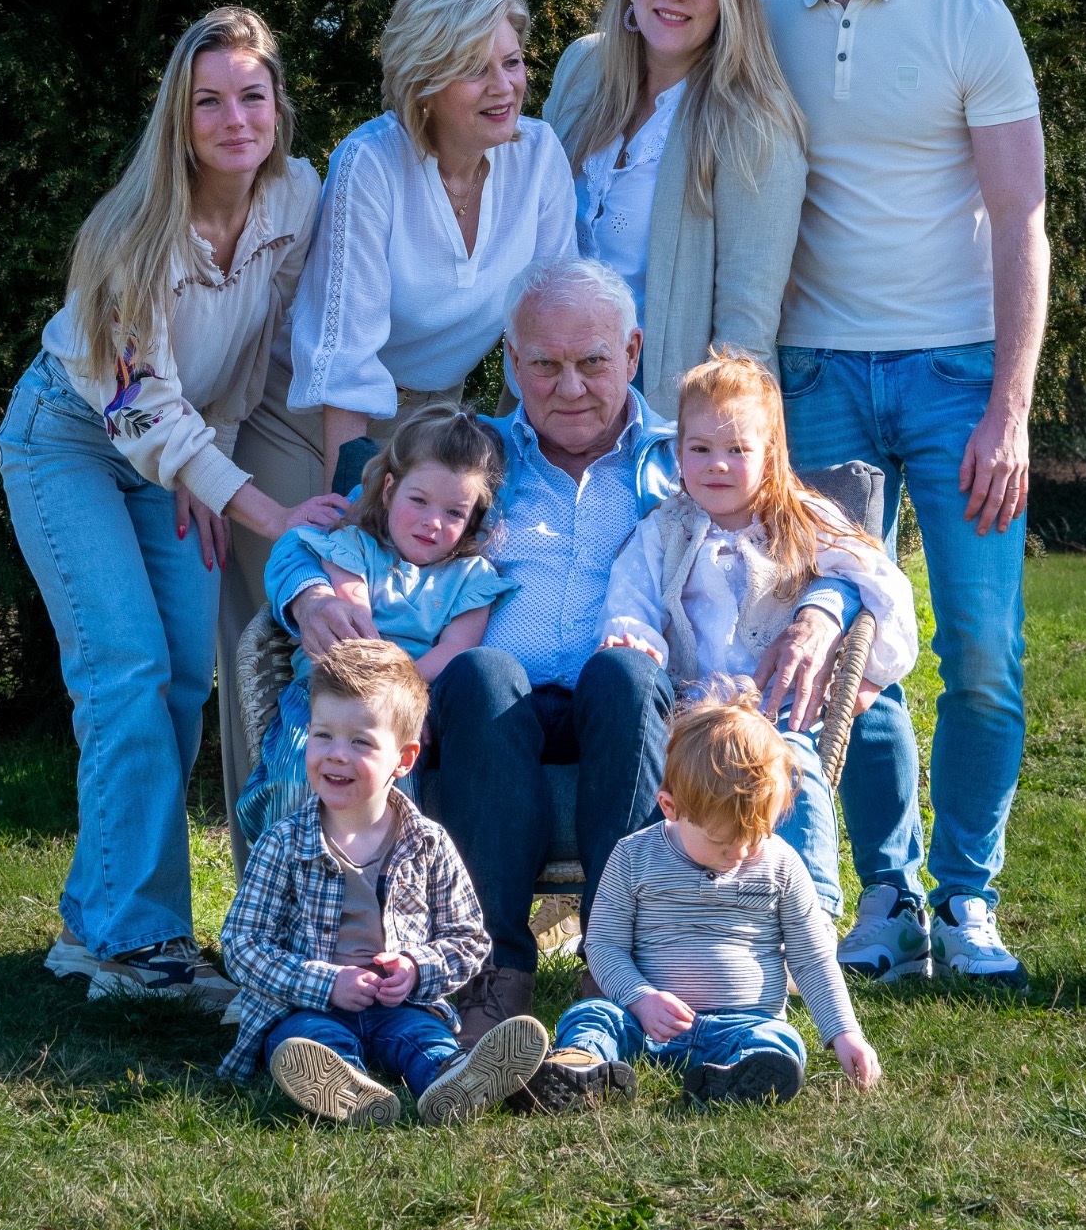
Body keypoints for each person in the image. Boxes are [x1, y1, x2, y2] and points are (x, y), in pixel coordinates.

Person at [290, 258, 858, 1045]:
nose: (570, 387)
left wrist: (824, 613)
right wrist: (308, 594)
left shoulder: (691, 455)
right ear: (511, 361)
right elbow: (329, 538)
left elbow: (823, 542)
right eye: (544, 365)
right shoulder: (467, 454)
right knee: (481, 670)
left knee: (624, 671)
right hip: (487, 706)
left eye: (591, 362)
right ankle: (491, 971)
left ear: (631, 352)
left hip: (622, 705)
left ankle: (609, 964)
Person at [766, 0, 1048, 989]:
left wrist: (1010, 408)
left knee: (981, 647)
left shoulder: (968, 14)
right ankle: (885, 891)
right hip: (813, 373)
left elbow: (1020, 215)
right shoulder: (758, 18)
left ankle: (968, 893)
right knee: (851, 649)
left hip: (955, 375)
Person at [0, 8, 331, 1000]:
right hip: (71, 440)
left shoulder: (296, 196)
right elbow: (139, 407)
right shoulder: (129, 233)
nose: (235, 119)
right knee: (125, 667)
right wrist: (259, 507)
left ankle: (93, 924)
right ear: (177, 119)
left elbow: (257, 354)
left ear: (278, 105)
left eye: (252, 96)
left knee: (186, 674)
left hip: (184, 454)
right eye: (209, 101)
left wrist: (213, 467)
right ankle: (135, 941)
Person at [216, 0, 576, 870]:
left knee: (431, 646)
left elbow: (544, 325)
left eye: (512, 61)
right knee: (310, 643)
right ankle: (274, 883)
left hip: (440, 426)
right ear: (424, 84)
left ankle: (422, 886)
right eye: (475, 69)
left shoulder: (539, 157)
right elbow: (345, 361)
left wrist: (520, 469)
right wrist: (357, 524)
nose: (504, 86)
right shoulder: (370, 162)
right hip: (310, 416)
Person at [597, 348, 919, 919]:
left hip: (779, 707)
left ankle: (810, 910)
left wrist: (870, 671)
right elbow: (632, 596)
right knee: (691, 780)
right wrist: (634, 637)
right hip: (693, 713)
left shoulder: (801, 519)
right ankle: (689, 917)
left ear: (770, 455)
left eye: (738, 450)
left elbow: (881, 582)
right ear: (677, 452)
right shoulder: (664, 529)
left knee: (791, 765)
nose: (717, 465)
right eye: (700, 449)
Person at [218, 639, 548, 1126]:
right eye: (322, 735)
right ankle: (344, 1086)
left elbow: (469, 940)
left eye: (361, 742)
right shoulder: (283, 842)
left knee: (425, 1039)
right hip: (307, 1005)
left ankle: (454, 1079)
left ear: (404, 759)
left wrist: (415, 969)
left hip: (402, 1005)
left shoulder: (428, 843)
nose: (337, 755)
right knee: (307, 1040)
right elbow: (242, 944)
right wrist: (327, 982)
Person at [527, 694, 882, 1113]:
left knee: (780, 1040)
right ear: (670, 808)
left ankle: (739, 1075)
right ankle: (582, 1065)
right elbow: (605, 945)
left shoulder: (781, 864)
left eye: (756, 836)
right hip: (646, 1022)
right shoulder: (634, 857)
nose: (741, 854)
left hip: (744, 1024)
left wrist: (844, 1032)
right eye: (722, 842)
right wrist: (640, 998)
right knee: (592, 1015)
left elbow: (812, 959)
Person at [543, 0, 806, 417]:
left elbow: (744, 338)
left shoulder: (753, 125)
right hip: (547, 404)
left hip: (661, 424)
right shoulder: (580, 70)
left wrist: (716, 450)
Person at [236, 404, 514, 847]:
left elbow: (456, 650)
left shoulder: (472, 577)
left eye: (454, 513)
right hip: (328, 694)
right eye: (418, 500)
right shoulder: (356, 544)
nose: (433, 521)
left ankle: (378, 884)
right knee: (300, 779)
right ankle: (289, 872)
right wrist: (389, 690)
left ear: (472, 522)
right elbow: (357, 628)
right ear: (389, 490)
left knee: (391, 792)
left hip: (405, 706)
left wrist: (402, 697)